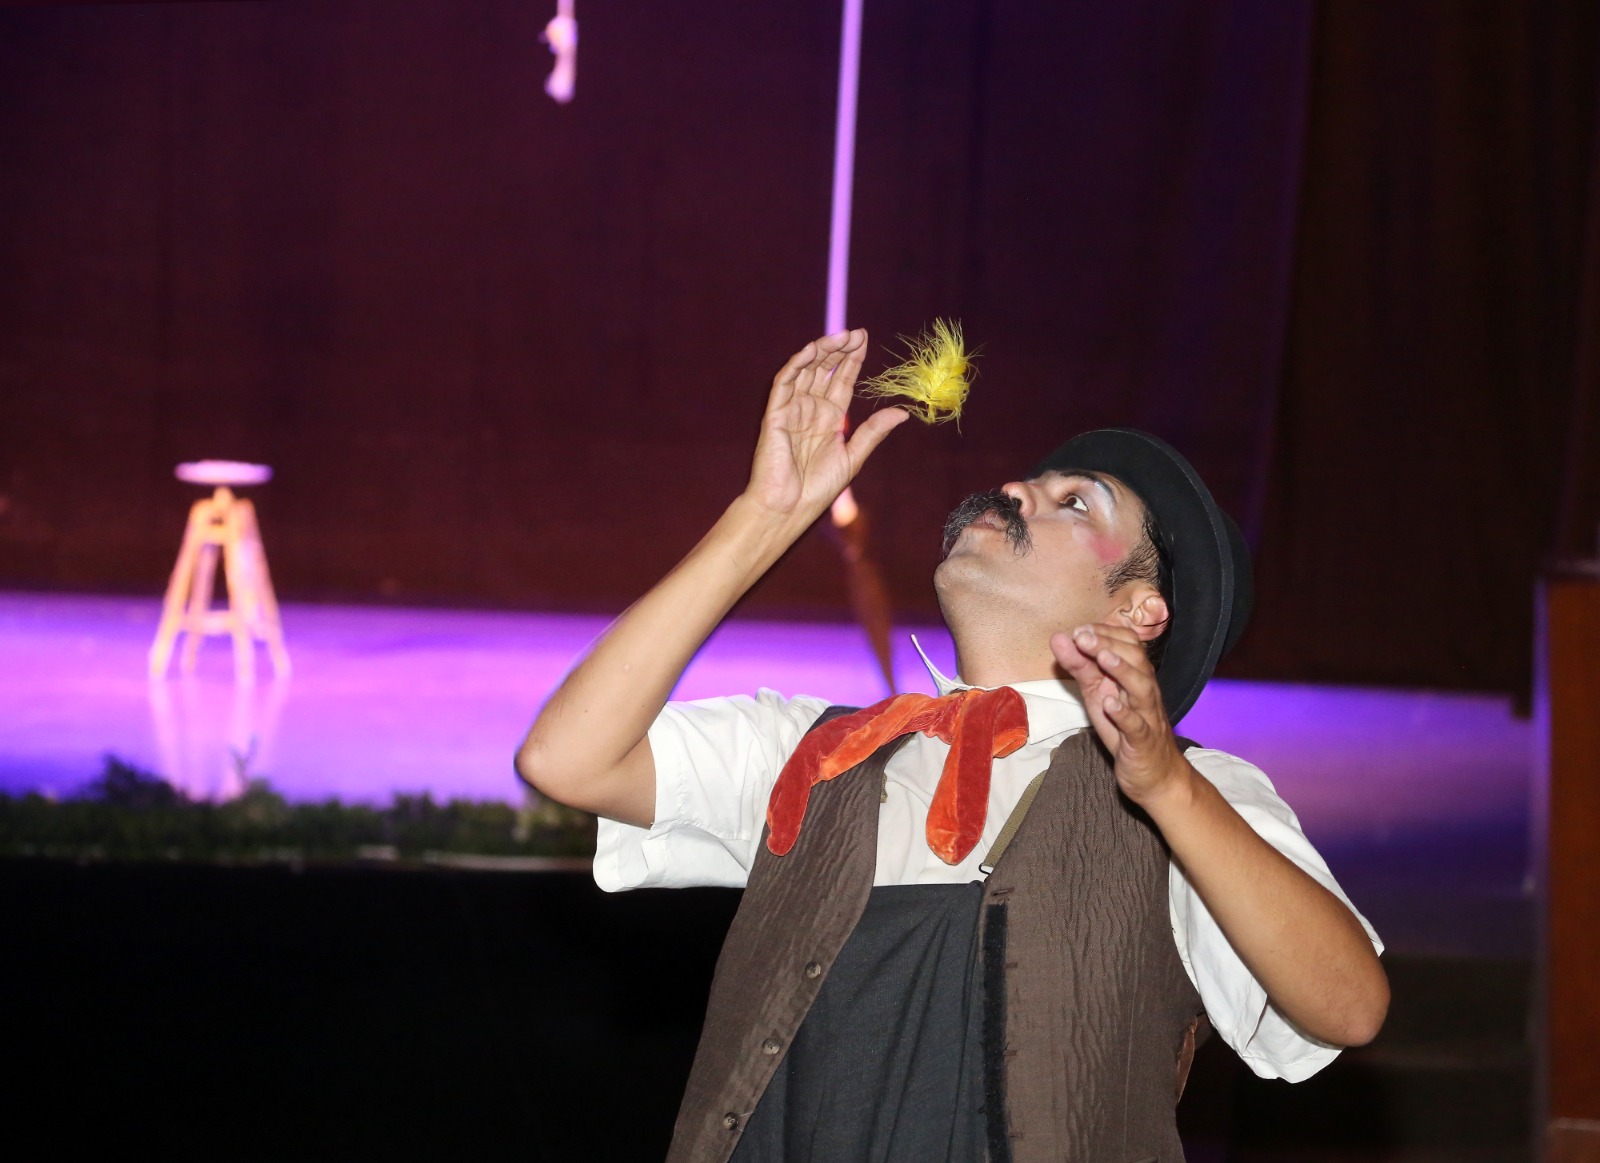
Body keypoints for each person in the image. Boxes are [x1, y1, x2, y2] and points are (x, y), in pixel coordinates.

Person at [516, 329, 1388, 1163]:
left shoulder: (1195, 796)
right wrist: (766, 517)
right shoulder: (818, 752)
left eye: (1075, 502)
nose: (1015, 490)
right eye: (1033, 482)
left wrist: (1166, 788)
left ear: (1137, 611)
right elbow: (568, 758)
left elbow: (1348, 1006)